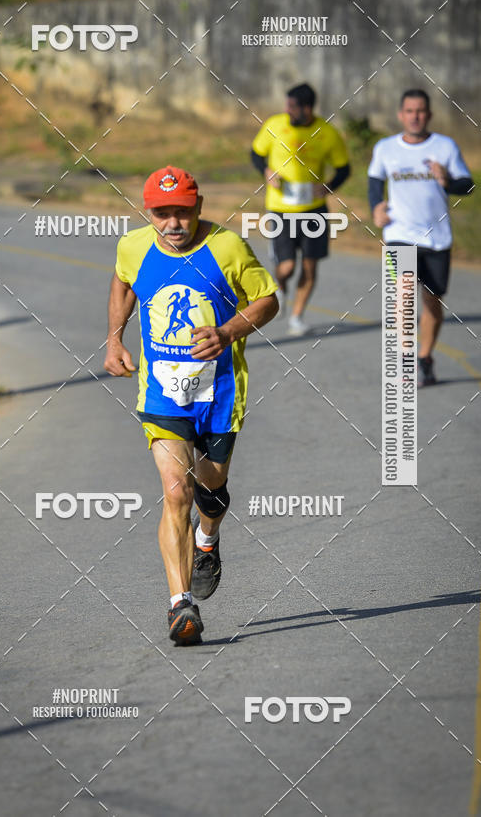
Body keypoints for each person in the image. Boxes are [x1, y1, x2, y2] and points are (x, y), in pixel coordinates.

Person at [104, 165, 278, 645]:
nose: (173, 222)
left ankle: (208, 539)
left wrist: (226, 332)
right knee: (176, 492)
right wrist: (115, 338)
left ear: (199, 207)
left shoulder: (226, 248)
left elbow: (267, 300)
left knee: (211, 488)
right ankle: (181, 606)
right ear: (148, 212)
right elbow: (122, 282)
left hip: (219, 392)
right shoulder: (133, 246)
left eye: (182, 211)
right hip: (162, 393)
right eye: (162, 213)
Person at [368, 89, 473, 387]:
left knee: (432, 302)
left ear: (429, 115)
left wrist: (447, 180)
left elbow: (468, 186)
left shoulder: (445, 147)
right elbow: (375, 183)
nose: (415, 116)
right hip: (399, 234)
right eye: (410, 111)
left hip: (437, 238)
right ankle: (405, 360)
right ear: (401, 115)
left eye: (421, 111)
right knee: (402, 297)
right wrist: (377, 207)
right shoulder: (386, 148)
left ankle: (424, 357)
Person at [250, 82, 351, 335]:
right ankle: (281, 288)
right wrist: (266, 170)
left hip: (313, 209)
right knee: (287, 267)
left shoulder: (326, 133)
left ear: (307, 108)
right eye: (287, 105)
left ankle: (297, 316)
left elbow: (344, 168)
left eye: (293, 107)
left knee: (309, 266)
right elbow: (255, 152)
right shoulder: (275, 125)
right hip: (280, 209)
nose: (288, 110)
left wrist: (328, 188)